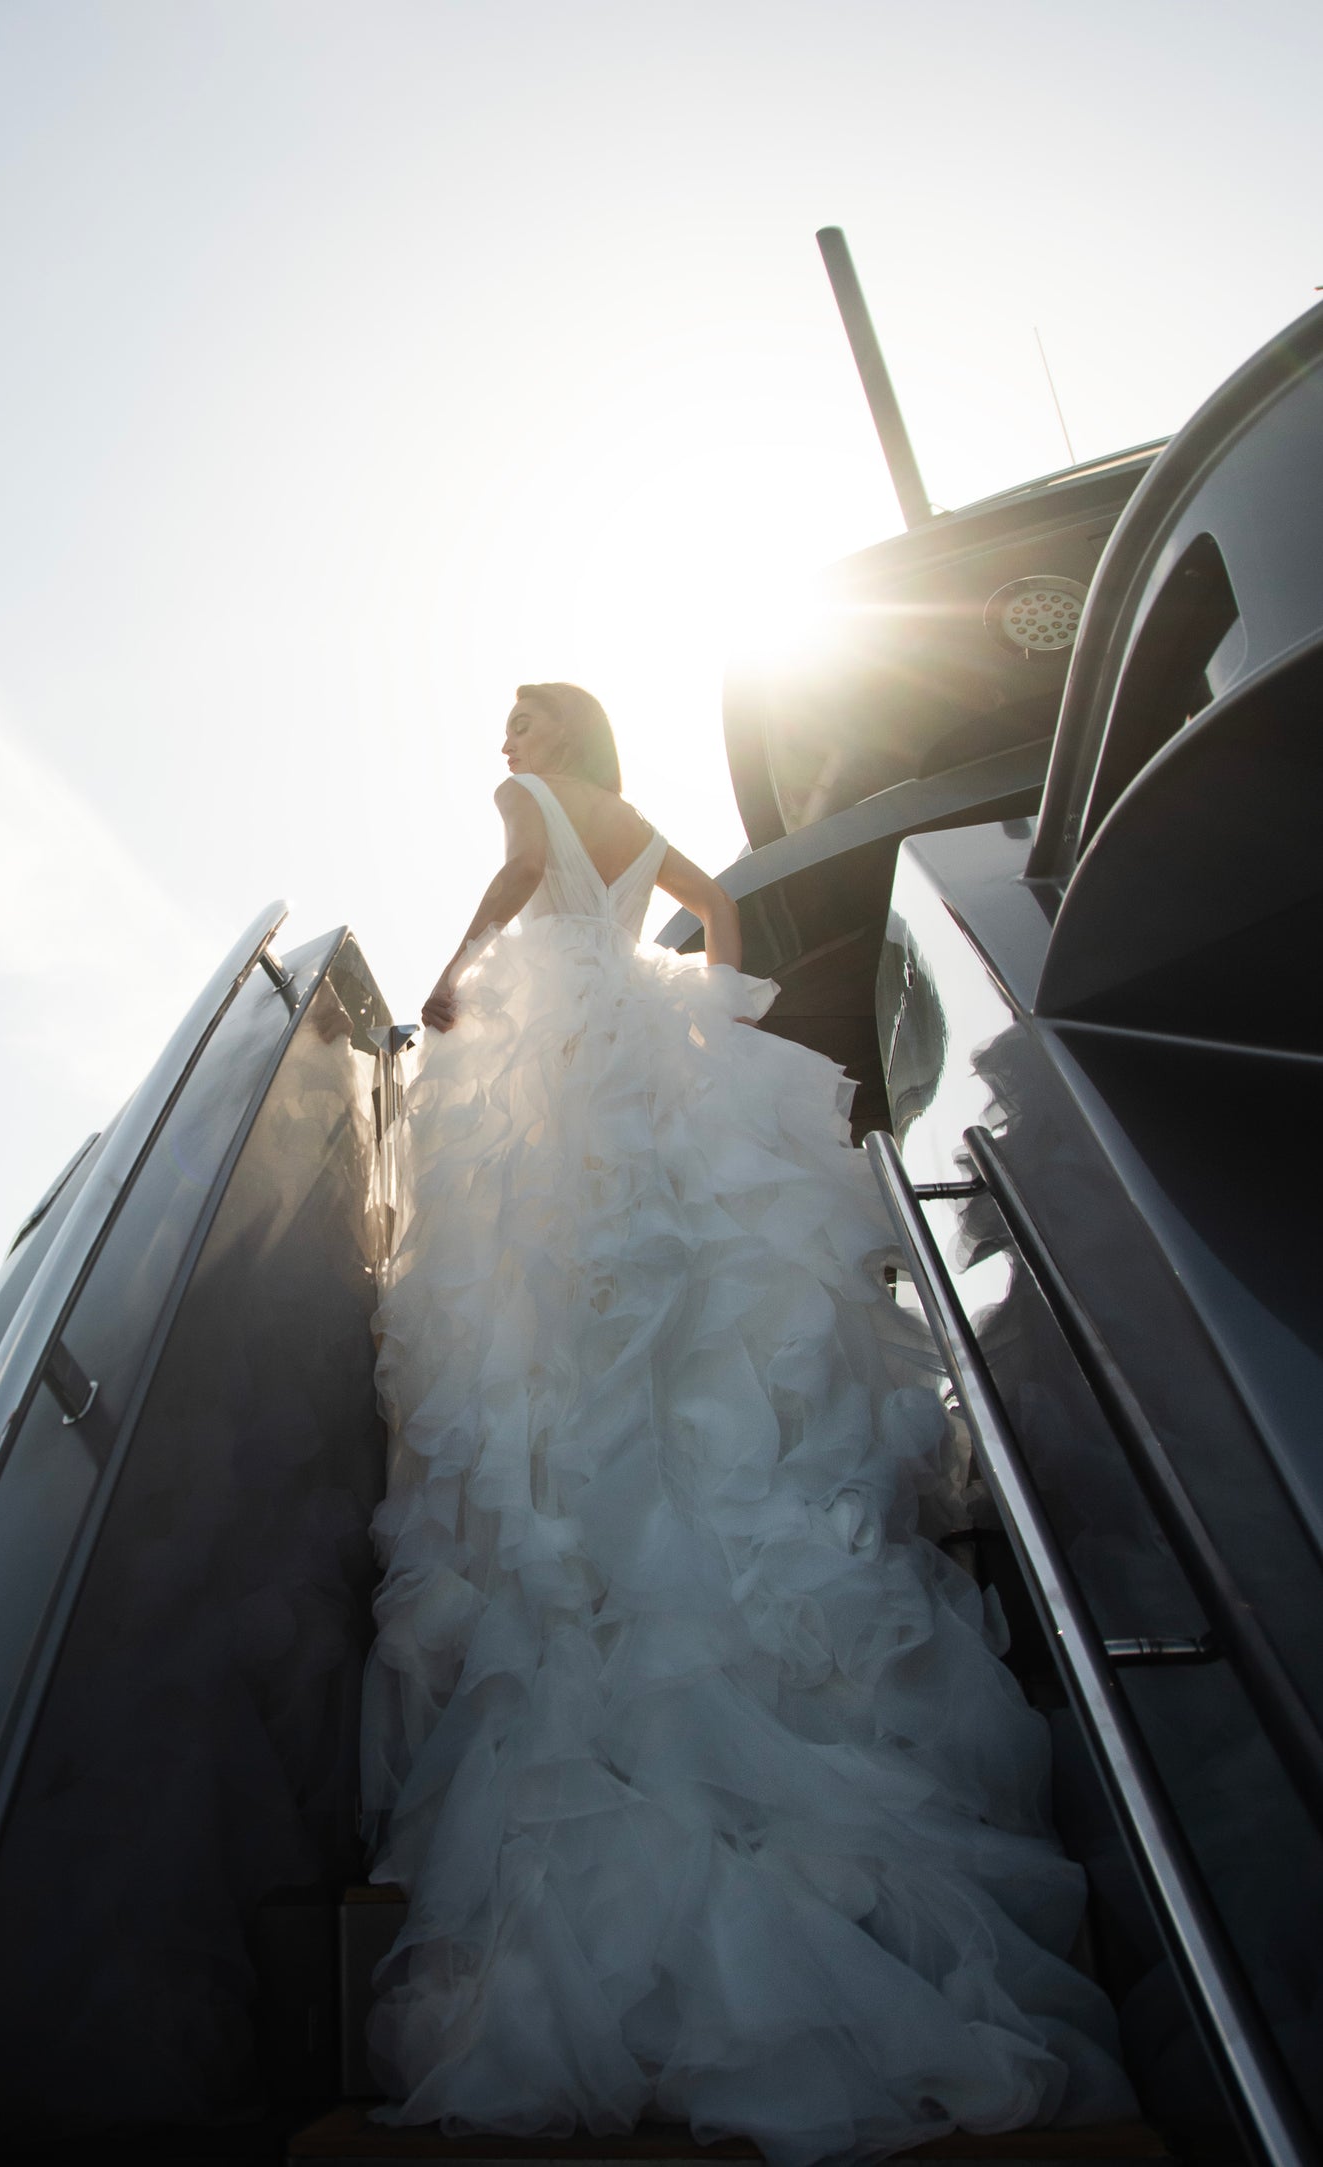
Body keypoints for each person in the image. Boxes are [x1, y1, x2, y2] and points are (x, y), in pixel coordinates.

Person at [358, 683, 1133, 2166]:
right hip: (645, 1054)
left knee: (555, 1285)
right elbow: (716, 912)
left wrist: (453, 979)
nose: (505, 738)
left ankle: (586, 1527)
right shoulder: (633, 815)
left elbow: (517, 881)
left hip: (561, 1058)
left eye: (522, 717)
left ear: (555, 735)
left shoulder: (530, 807)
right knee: (690, 1296)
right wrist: (699, 1017)